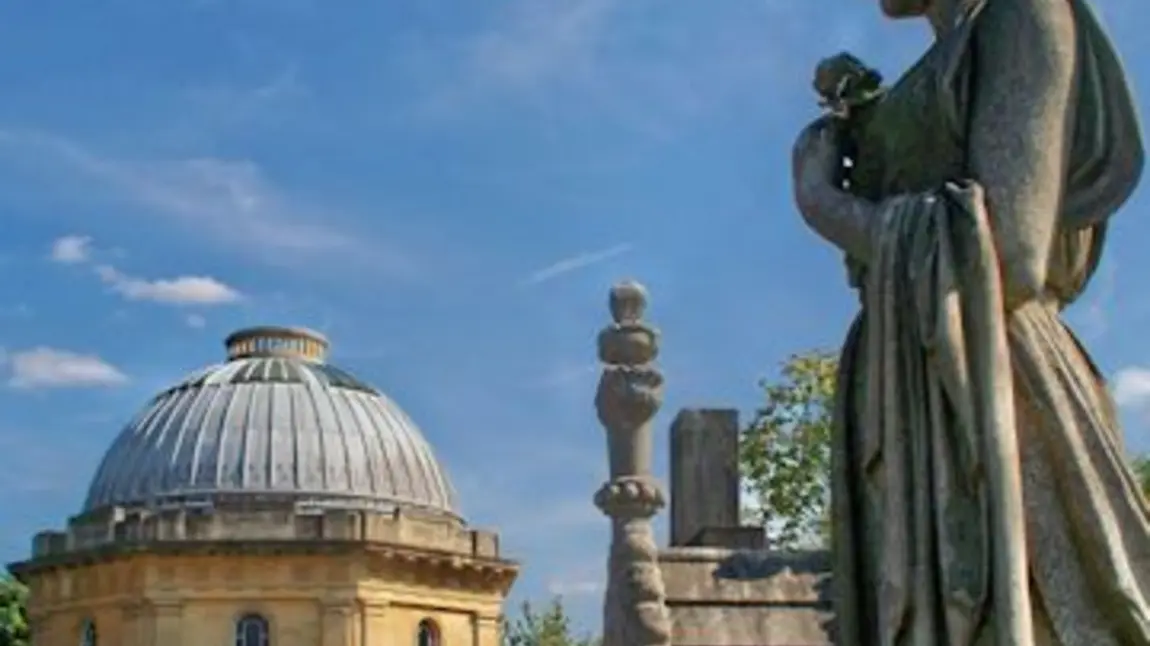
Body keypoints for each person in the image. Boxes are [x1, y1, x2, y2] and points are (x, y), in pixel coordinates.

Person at [789, 0, 1149, 644]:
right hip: (909, 388)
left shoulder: (1026, 14)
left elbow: (1010, 253)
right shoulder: (947, 55)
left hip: (990, 384)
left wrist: (826, 205)